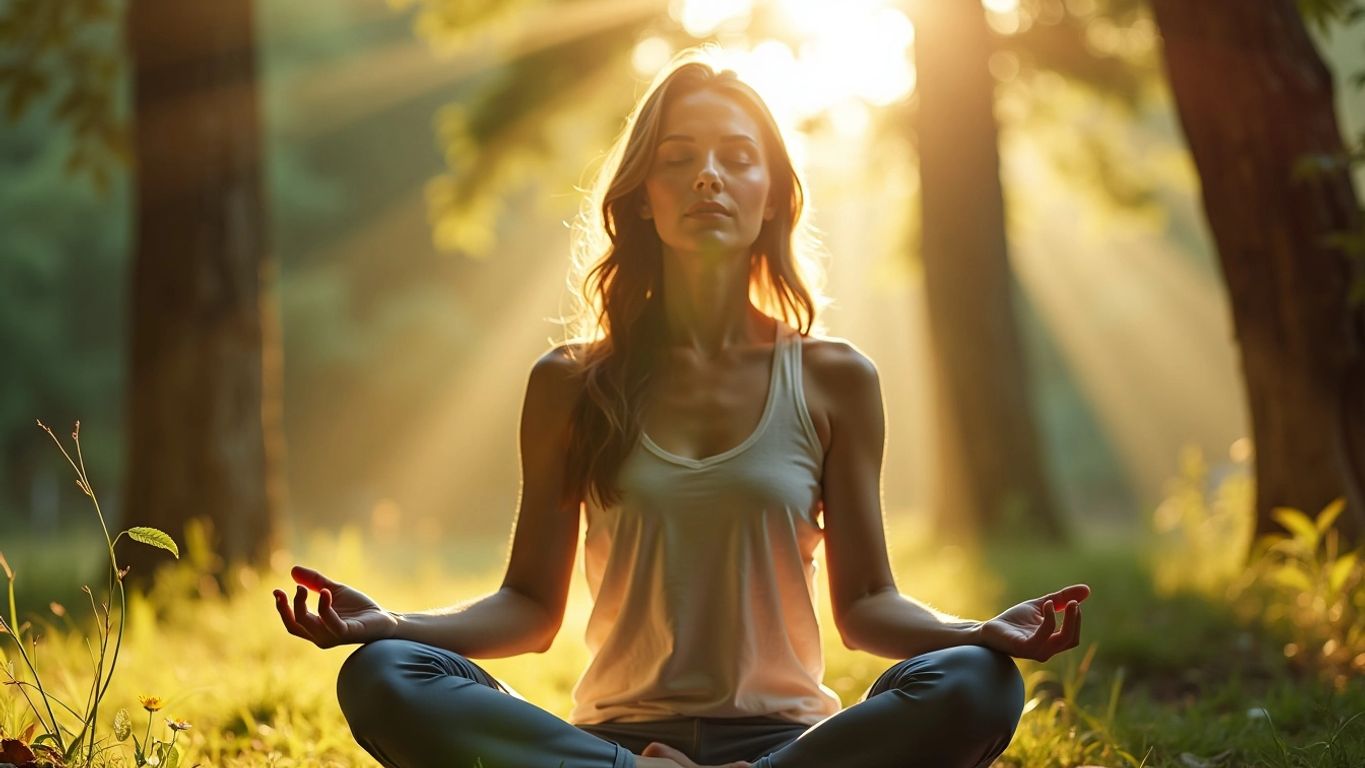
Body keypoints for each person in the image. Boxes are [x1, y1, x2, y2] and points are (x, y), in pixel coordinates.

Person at [272, 55, 1090, 768]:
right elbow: (527, 609)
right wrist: (390, 622)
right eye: (678, 159)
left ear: (771, 196)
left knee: (977, 684)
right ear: (642, 198)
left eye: (737, 158)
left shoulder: (834, 378)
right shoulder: (569, 382)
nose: (709, 176)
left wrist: (983, 632)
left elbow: (868, 606)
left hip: (792, 746)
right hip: (614, 745)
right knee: (383, 674)